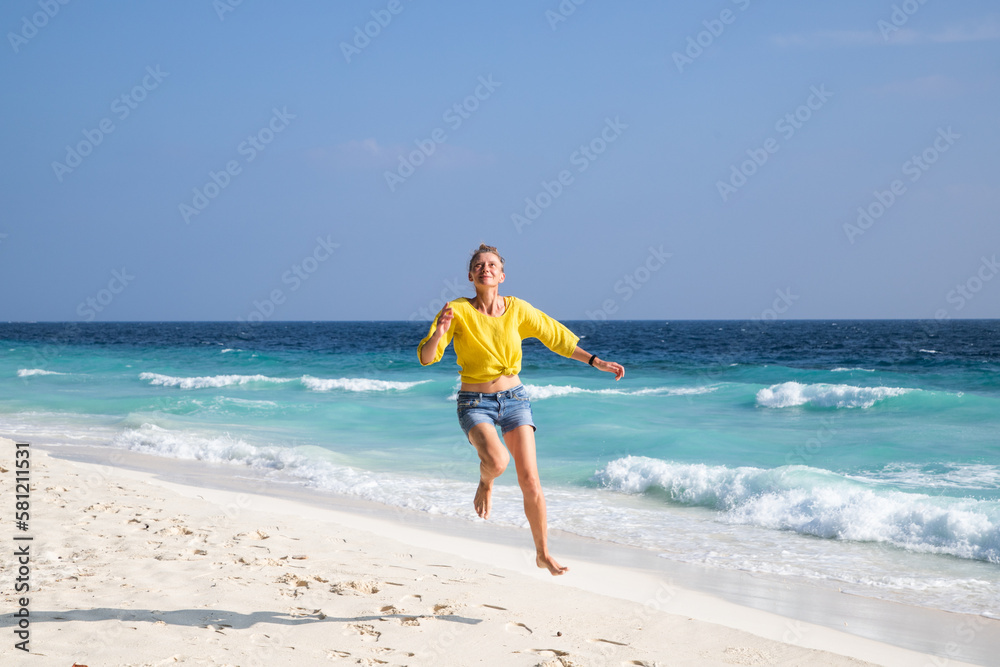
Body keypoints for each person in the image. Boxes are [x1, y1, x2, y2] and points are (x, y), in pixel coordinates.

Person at [417, 243, 625, 575]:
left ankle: (542, 553)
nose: (486, 268)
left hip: (515, 399)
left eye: (492, 265)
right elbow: (428, 357)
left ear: (501, 275)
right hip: (475, 403)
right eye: (479, 265)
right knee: (498, 462)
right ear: (471, 275)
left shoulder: (518, 309)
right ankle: (486, 481)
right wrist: (440, 332)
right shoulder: (456, 310)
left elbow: (556, 337)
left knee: (530, 480)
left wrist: (595, 361)